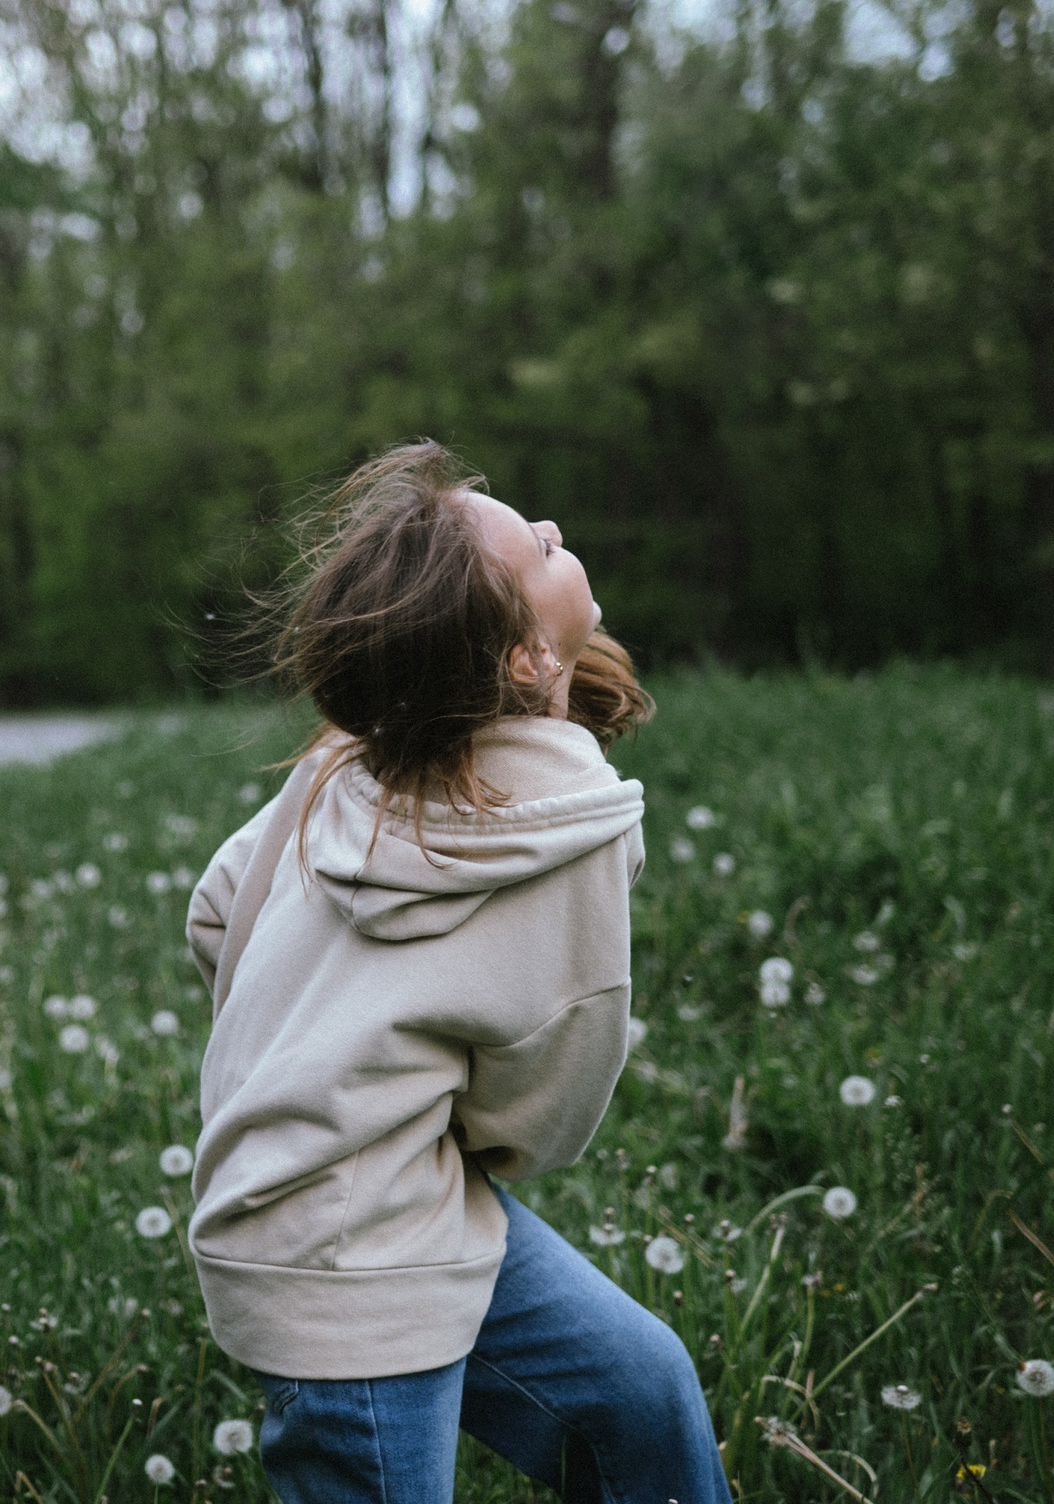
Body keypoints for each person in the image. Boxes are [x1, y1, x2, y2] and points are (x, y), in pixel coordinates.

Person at [183, 441, 728, 1504]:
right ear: (525, 658)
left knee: (638, 1396)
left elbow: (216, 908)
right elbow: (545, 1110)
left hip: (406, 1197)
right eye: (538, 545)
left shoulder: (350, 748)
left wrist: (303, 1046)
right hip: (335, 1265)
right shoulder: (575, 832)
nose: (559, 534)